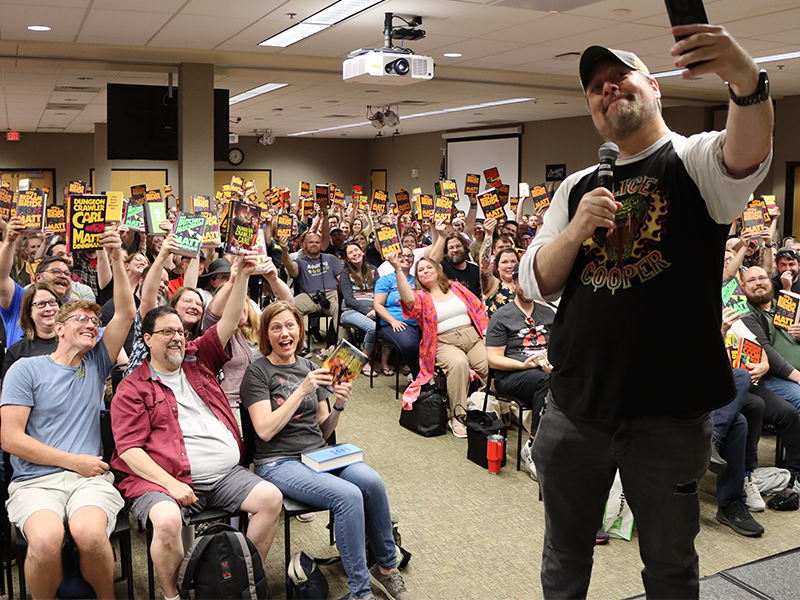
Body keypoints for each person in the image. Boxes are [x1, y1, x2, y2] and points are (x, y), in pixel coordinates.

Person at [518, 24, 773, 598]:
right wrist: (580, 225)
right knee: (564, 554)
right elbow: (535, 279)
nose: (608, 91)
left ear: (654, 87)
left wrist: (743, 77)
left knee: (670, 564)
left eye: (619, 78)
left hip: (669, 419)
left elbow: (747, 153)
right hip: (575, 410)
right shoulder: (578, 187)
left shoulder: (693, 160)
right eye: (596, 88)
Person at [111, 254, 283, 600]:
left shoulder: (197, 357)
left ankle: (239, 579)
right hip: (163, 477)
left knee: (270, 498)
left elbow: (229, 318)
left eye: (179, 331)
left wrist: (242, 276)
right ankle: (174, 595)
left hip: (223, 475)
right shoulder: (133, 387)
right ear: (147, 339)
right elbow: (129, 450)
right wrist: (171, 484)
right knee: (166, 522)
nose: (176, 337)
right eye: (166, 332)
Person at [240, 301, 412, 600]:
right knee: (347, 496)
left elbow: (323, 429)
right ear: (266, 334)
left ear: (300, 330)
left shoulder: (310, 367)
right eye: (276, 327)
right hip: (278, 461)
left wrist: (340, 406)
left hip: (317, 454)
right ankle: (360, 593)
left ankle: (385, 568)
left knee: (371, 481)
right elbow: (264, 429)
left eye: (290, 325)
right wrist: (301, 390)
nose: (285, 333)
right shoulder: (257, 373)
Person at [0, 227, 135, 600]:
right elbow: (10, 439)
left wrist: (117, 257)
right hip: (35, 482)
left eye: (94, 321)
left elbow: (125, 311)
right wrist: (74, 461)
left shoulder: (95, 362)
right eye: (81, 320)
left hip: (87, 482)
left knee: (90, 535)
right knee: (45, 540)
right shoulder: (24, 369)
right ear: (58, 329)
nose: (91, 324)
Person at [390, 253, 489, 438]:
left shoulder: (456, 287)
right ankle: (458, 416)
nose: (425, 271)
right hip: (443, 342)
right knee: (459, 364)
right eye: (420, 270)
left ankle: (493, 409)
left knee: (490, 363)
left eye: (429, 267)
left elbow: (478, 308)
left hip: (473, 337)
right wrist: (397, 269)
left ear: (438, 270)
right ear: (418, 277)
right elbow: (408, 301)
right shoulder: (421, 296)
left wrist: (486, 334)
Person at [485, 264, 555, 478]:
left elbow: (558, 347)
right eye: (521, 280)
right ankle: (534, 448)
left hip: (544, 371)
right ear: (514, 282)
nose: (526, 286)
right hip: (510, 375)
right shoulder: (502, 315)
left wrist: (554, 362)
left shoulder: (548, 313)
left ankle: (561, 445)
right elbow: (494, 359)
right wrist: (524, 365)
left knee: (564, 380)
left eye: (530, 281)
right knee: (546, 381)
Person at [374, 247, 420, 378]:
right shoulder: (385, 280)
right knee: (409, 344)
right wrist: (392, 321)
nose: (406, 258)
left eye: (409, 256)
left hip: (417, 322)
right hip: (393, 323)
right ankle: (421, 378)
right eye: (401, 255)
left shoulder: (417, 280)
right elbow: (378, 305)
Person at [2, 282, 62, 378]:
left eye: (52, 302)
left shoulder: (74, 343)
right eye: (41, 304)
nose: (49, 308)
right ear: (29, 312)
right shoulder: (16, 352)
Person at [340, 242, 380, 375]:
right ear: (348, 259)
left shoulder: (373, 269)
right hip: (350, 311)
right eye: (350, 253)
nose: (355, 254)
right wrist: (367, 311)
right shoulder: (346, 273)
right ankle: (364, 362)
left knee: (389, 323)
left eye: (356, 250)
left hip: (373, 310)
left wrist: (376, 310)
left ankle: (384, 362)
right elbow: (349, 299)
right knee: (373, 328)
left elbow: (379, 293)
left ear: (362, 252)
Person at [428, 221, 481, 299]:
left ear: (465, 247)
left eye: (458, 246)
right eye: (451, 248)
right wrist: (442, 236)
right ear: (446, 251)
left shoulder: (475, 270)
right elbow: (431, 264)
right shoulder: (443, 267)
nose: (455, 250)